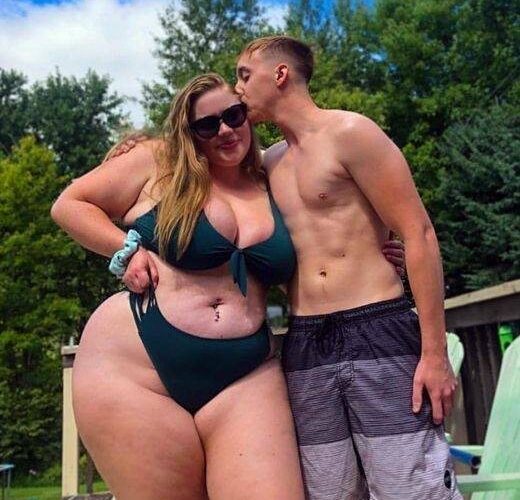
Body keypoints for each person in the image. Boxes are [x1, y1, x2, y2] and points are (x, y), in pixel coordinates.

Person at [52, 71, 404, 499]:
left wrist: (375, 255)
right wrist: (125, 250)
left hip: (245, 372)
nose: (224, 130)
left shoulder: (273, 173)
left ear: (247, 115)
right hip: (135, 365)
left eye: (234, 115)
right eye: (207, 125)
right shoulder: (158, 162)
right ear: (189, 132)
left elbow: (332, 215)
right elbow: (71, 204)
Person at [234, 36, 461, 499]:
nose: (238, 88)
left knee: (409, 488)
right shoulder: (267, 163)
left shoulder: (352, 133)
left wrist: (435, 354)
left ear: (280, 75)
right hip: (305, 340)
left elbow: (418, 233)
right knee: (329, 491)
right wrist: (137, 148)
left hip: (378, 326)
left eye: (244, 75)